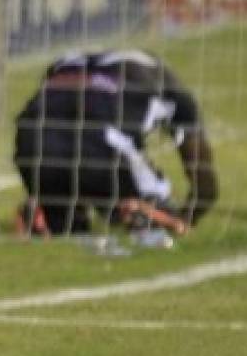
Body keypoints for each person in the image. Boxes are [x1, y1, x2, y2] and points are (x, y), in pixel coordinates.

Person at [13, 49, 217, 237]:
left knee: (68, 226)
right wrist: (188, 216)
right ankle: (139, 212)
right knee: (154, 211)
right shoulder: (172, 89)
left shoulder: (65, 64)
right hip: (102, 143)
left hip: (31, 142)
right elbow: (204, 182)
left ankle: (45, 213)